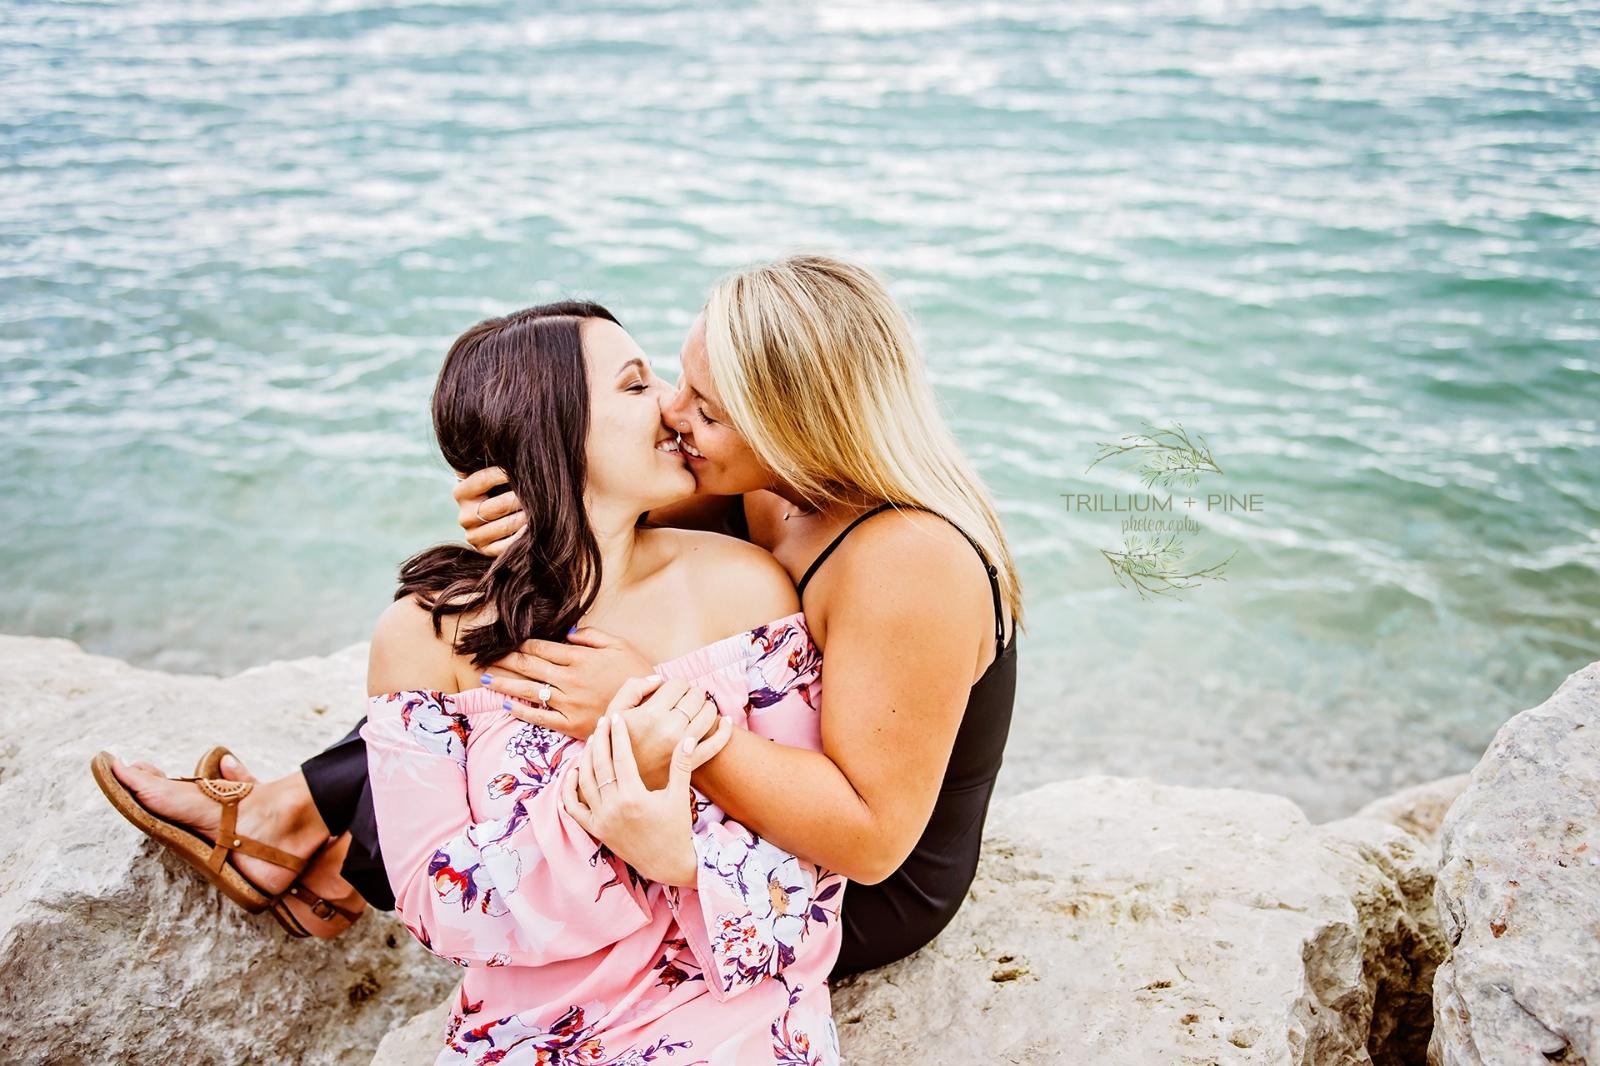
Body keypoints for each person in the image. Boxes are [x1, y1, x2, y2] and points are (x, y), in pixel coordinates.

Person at [95, 253, 1021, 978]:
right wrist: (531, 502)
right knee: (502, 625)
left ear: (798, 420)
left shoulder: (911, 561)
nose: (672, 415)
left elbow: (868, 839)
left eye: (705, 408)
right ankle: (306, 818)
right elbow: (592, 562)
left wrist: (640, 701)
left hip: (851, 888)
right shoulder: (770, 486)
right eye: (673, 383)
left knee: (544, 699)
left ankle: (321, 838)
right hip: (760, 808)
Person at [101, 302, 845, 1063]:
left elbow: (815, 877)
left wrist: (682, 855)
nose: (670, 403)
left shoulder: (744, 590)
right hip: (526, 1037)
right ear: (553, 432)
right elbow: (434, 908)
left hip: (737, 1028)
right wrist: (601, 822)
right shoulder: (427, 636)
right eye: (634, 384)